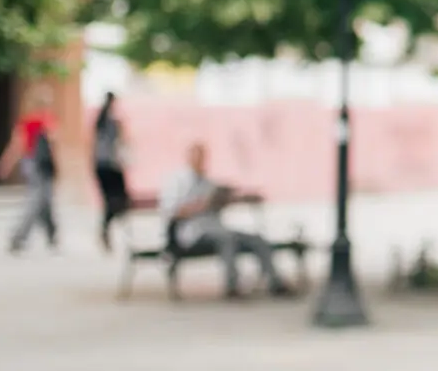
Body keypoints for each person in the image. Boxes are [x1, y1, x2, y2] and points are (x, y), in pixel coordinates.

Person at [157, 142, 293, 298]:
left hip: (216, 228)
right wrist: (199, 206)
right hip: (192, 234)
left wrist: (230, 199)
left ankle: (275, 282)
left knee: (257, 239)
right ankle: (232, 287)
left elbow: (217, 203)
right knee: (227, 239)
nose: (200, 160)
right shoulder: (177, 181)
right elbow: (170, 212)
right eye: (197, 156)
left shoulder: (208, 183)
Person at [0, 85, 59, 254]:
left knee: (45, 201)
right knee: (36, 201)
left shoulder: (26, 121)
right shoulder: (47, 121)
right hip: (41, 166)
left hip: (29, 163)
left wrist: (5, 164)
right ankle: (19, 237)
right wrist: (58, 167)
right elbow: (53, 145)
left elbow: (16, 146)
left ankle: (52, 235)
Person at [93, 92, 132, 253]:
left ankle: (107, 228)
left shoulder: (100, 120)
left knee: (111, 200)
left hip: (101, 164)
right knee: (118, 199)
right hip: (111, 164)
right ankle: (111, 227)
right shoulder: (112, 122)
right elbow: (121, 142)